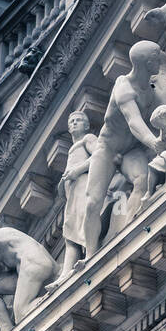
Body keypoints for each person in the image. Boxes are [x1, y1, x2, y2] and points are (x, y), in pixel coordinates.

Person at [81, 41, 166, 254]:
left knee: (142, 179)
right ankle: (90, 254)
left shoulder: (152, 89)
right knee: (93, 202)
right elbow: (134, 122)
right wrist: (153, 142)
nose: (161, 61)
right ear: (147, 63)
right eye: (156, 58)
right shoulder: (124, 86)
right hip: (108, 149)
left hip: (131, 150)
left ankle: (130, 229)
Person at [55, 109, 98, 282]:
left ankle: (90, 253)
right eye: (71, 121)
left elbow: (100, 156)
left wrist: (76, 171)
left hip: (83, 187)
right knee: (69, 233)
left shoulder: (88, 139)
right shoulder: (73, 149)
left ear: (87, 125)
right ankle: (65, 274)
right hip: (72, 195)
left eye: (79, 120)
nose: (74, 123)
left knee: (84, 219)